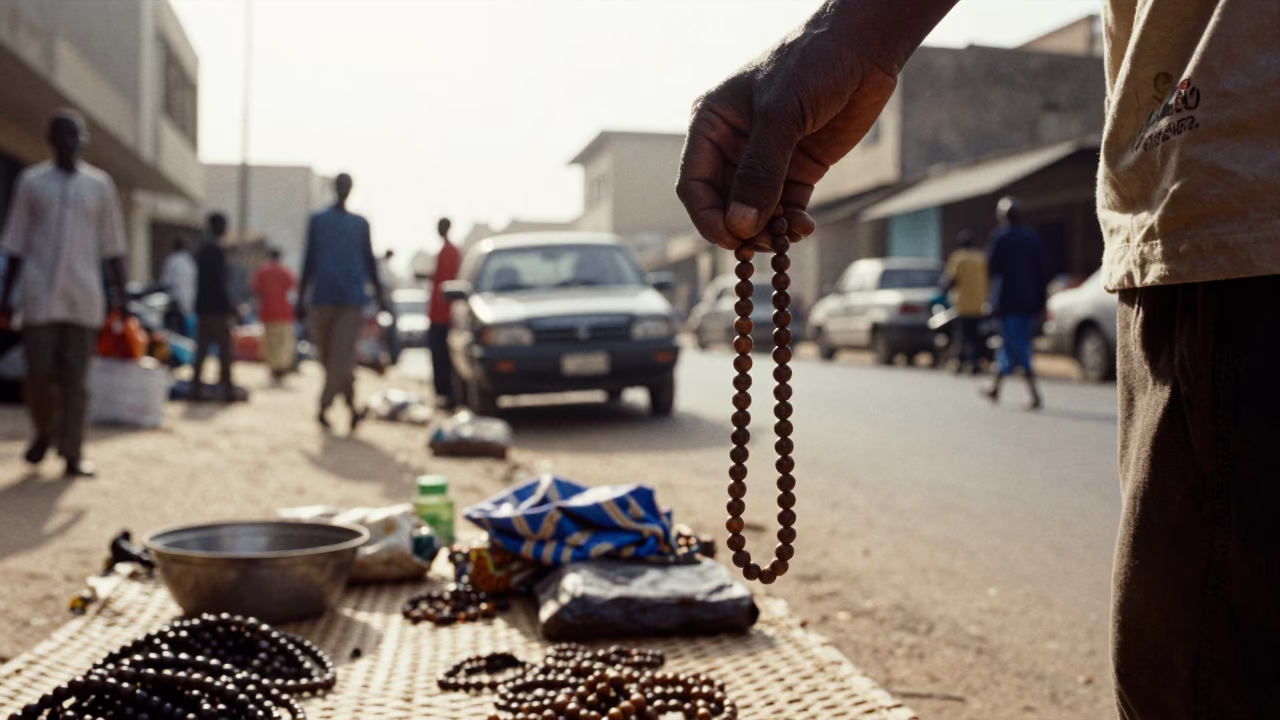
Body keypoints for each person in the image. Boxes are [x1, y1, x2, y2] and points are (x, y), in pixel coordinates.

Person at [675, 1, 1280, 716]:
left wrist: (851, 32)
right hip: (1223, 220)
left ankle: (1006, 370)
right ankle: (1008, 371)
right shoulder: (1012, 247)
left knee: (1202, 675)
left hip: (1237, 218)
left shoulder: (998, 248)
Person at [0, 110, 127, 477]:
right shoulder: (31, 183)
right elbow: (15, 242)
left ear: (82, 140)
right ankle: (44, 432)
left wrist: (122, 296)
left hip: (83, 296)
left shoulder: (99, 186)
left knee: (76, 380)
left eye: (74, 136)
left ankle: (72, 451)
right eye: (61, 136)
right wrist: (6, 298)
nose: (68, 143)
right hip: (38, 296)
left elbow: (113, 245)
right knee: (38, 375)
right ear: (51, 140)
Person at [297, 173, 387, 431]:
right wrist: (301, 298)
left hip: (351, 301)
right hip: (322, 298)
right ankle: (352, 407)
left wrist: (381, 298)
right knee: (329, 358)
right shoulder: (318, 221)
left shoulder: (360, 224)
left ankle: (323, 407)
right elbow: (309, 260)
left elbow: (369, 261)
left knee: (340, 356)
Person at [982, 198, 1044, 408]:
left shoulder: (1000, 238)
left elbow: (992, 271)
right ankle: (995, 388)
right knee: (1010, 346)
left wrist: (992, 300)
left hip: (1008, 303)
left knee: (1017, 348)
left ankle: (1035, 394)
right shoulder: (1031, 238)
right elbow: (1041, 272)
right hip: (1029, 302)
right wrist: (1040, 303)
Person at [192, 212, 237, 401]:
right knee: (224, 352)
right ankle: (226, 390)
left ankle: (195, 389)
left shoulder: (202, 250)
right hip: (217, 310)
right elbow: (220, 283)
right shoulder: (216, 251)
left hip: (204, 309)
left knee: (201, 351)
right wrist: (230, 306)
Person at [942, 229, 987, 375]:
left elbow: (951, 279)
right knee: (974, 335)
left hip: (962, 304)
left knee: (962, 335)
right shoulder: (980, 258)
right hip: (979, 303)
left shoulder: (958, 258)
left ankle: (967, 362)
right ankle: (970, 362)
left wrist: (943, 290)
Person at [428, 217, 460, 409]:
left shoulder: (450, 251)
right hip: (437, 312)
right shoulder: (444, 251)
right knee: (439, 356)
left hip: (444, 315)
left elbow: (448, 281)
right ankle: (444, 394)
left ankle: (448, 395)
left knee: (443, 357)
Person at [250, 248, 297, 383]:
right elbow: (292, 287)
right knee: (282, 342)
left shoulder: (262, 271)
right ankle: (280, 367)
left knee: (269, 341)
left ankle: (272, 367)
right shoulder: (286, 271)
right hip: (283, 312)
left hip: (267, 312)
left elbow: (254, 288)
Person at [160, 238, 197, 337]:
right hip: (190, 303)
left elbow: (166, 283)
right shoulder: (190, 261)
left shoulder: (172, 260)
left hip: (175, 304)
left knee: (174, 336)